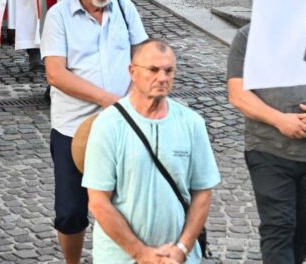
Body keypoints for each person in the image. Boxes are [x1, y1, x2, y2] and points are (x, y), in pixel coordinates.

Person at [41, 0, 148, 264]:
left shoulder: (126, 10)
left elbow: (143, 58)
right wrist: (109, 100)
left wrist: (131, 99)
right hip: (73, 129)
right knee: (71, 211)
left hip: (123, 127)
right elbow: (55, 74)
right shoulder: (58, 16)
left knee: (126, 206)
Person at [84, 39, 219, 264]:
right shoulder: (108, 124)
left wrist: (181, 249)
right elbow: (98, 201)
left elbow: (203, 192)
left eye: (169, 71)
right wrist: (141, 253)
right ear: (132, 71)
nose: (162, 78)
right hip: (120, 258)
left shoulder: (191, 123)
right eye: (153, 70)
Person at [228, 24, 306, 264]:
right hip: (268, 151)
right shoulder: (248, 36)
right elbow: (237, 93)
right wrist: (279, 120)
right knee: (278, 226)